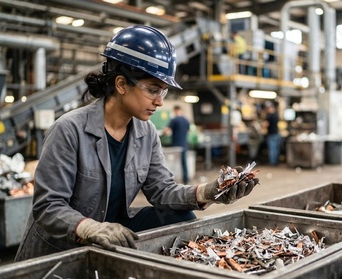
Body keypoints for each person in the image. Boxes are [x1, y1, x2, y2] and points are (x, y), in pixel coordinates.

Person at [15, 25, 259, 261]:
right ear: (121, 84)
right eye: (153, 90)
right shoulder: (69, 129)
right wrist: (89, 228)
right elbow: (48, 206)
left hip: (111, 230)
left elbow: (162, 191)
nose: (160, 101)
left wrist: (208, 192)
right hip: (61, 247)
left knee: (181, 217)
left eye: (163, 92)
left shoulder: (146, 132)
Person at [164, 105, 190, 184]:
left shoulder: (174, 120)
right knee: (184, 163)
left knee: (173, 163)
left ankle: (171, 180)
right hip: (184, 144)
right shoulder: (186, 120)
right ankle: (186, 180)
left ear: (175, 111)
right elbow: (188, 131)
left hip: (176, 145)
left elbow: (166, 131)